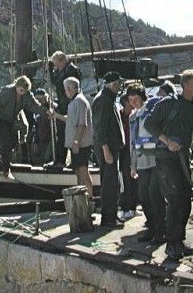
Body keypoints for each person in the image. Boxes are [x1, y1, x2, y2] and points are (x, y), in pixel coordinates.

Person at [144, 69, 193, 261]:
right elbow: (149, 124)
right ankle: (171, 244)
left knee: (185, 200)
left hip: (183, 157)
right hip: (166, 157)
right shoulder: (168, 104)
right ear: (184, 86)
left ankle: (179, 240)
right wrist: (167, 141)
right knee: (174, 199)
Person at [127, 82, 167, 244]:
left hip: (155, 159)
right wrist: (133, 165)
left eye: (136, 99)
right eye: (131, 100)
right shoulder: (133, 117)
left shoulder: (152, 110)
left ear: (142, 97)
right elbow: (132, 142)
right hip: (142, 160)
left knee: (155, 194)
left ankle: (161, 230)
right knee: (143, 196)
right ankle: (151, 227)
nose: (134, 103)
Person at [0, 75, 43, 178]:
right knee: (6, 141)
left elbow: (34, 106)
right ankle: (6, 170)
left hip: (10, 121)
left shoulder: (26, 95)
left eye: (25, 91)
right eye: (21, 90)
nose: (22, 93)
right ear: (16, 86)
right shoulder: (7, 91)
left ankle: (1, 156)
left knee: (15, 141)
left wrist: (46, 111)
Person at [48, 77, 93, 196]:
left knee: (83, 172)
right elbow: (71, 119)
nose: (65, 92)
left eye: (65, 89)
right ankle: (81, 199)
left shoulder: (80, 102)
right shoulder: (74, 102)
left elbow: (82, 124)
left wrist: (76, 141)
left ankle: (90, 199)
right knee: (78, 172)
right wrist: (56, 115)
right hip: (76, 144)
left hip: (81, 145)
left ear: (69, 89)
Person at [92, 71, 125, 229]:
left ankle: (112, 215)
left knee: (113, 183)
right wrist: (106, 150)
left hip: (111, 146)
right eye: (116, 84)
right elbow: (100, 128)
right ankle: (108, 219)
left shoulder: (108, 98)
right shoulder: (103, 100)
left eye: (119, 83)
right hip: (107, 147)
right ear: (109, 84)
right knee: (109, 184)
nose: (119, 87)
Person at [49, 51, 82, 162]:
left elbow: (61, 84)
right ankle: (60, 160)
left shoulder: (71, 71)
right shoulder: (63, 70)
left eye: (57, 64)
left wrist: (54, 72)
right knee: (62, 134)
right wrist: (51, 70)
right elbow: (56, 82)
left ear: (62, 60)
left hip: (69, 105)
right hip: (64, 105)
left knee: (69, 133)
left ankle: (68, 161)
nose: (56, 67)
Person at [118, 91, 138, 220]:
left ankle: (133, 207)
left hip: (134, 149)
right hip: (124, 150)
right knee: (125, 180)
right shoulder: (119, 115)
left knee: (134, 180)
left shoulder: (135, 115)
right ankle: (125, 208)